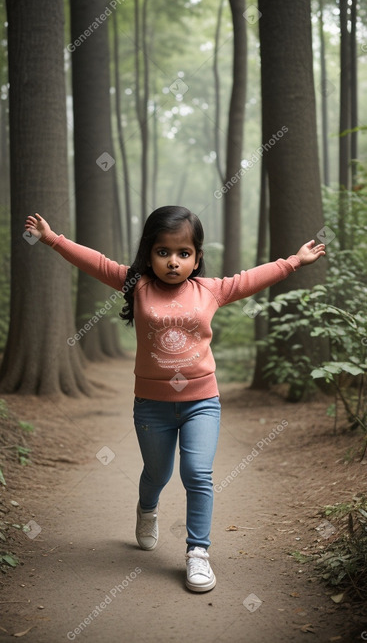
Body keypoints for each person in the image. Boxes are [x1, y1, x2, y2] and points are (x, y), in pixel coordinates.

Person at [25, 206, 326, 593]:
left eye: (184, 253)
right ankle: (147, 509)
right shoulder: (136, 285)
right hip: (152, 405)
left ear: (197, 258)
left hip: (202, 400)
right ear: (149, 254)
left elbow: (250, 279)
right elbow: (96, 263)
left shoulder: (210, 290)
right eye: (163, 252)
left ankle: (197, 552)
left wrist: (293, 262)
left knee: (197, 473)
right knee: (157, 473)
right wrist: (53, 239)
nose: (173, 261)